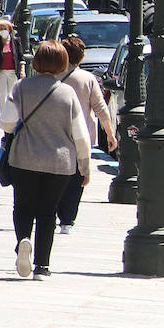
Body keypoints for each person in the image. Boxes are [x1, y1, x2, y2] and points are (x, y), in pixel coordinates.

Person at [0, 40, 90, 280]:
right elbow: (81, 135)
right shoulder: (68, 93)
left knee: (22, 206)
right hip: (59, 163)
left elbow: (7, 123)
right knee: (48, 212)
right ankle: (42, 267)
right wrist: (85, 166)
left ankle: (23, 242)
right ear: (63, 64)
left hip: (23, 159)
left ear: (37, 62)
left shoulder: (21, 87)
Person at [56, 35, 117, 234]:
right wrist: (110, 133)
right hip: (81, 137)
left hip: (55, 135)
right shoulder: (88, 79)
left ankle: (56, 211)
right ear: (81, 57)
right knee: (77, 178)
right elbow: (101, 109)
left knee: (56, 176)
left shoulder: (53, 76)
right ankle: (67, 220)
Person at [0, 18, 23, 114]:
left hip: (13, 71)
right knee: (2, 93)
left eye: (5, 28)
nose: (3, 31)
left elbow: (21, 57)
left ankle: (12, 113)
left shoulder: (16, 41)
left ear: (9, 29)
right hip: (0, 72)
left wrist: (22, 70)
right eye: (1, 29)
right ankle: (3, 114)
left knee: (12, 93)